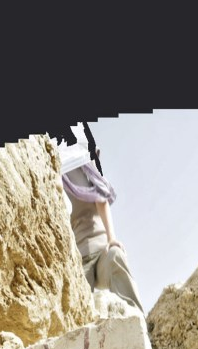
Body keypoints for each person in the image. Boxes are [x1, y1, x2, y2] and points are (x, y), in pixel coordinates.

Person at [60, 127, 143, 309]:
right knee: (79, 309)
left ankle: (138, 321)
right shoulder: (56, 178)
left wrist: (112, 238)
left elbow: (101, 201)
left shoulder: (85, 166)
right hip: (79, 260)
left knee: (116, 255)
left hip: (101, 251)